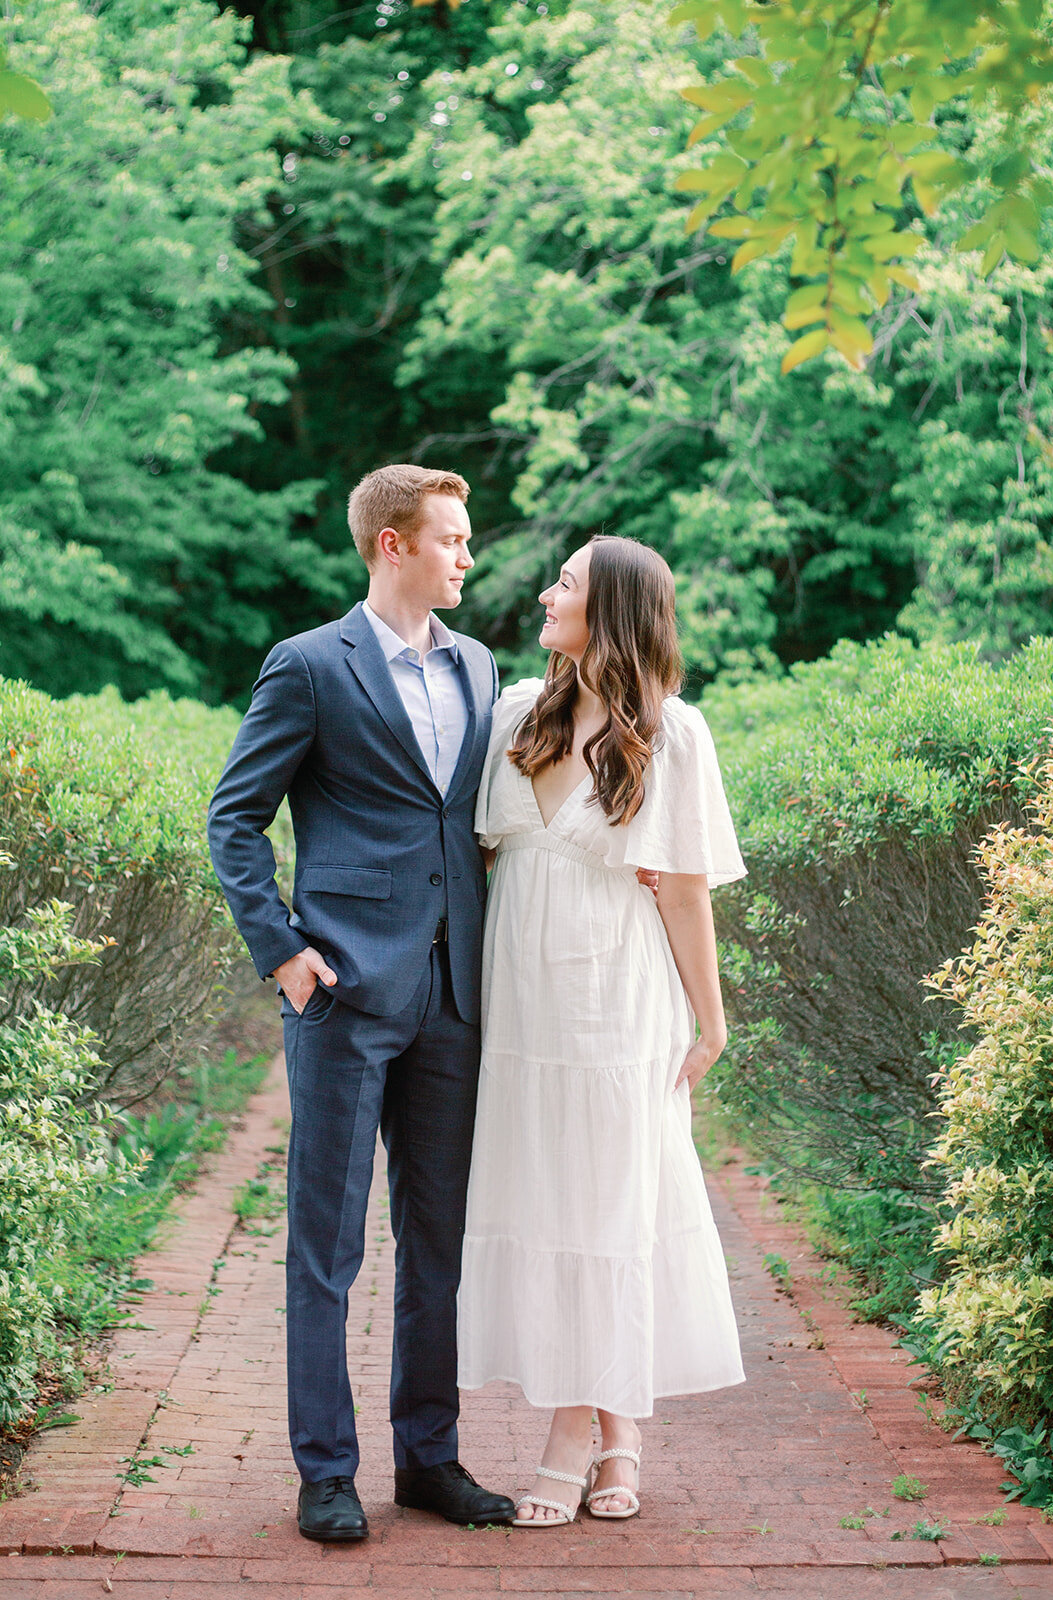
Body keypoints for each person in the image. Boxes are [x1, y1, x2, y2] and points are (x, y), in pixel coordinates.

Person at [207, 464, 515, 1543]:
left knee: (437, 1244)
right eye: (452, 539)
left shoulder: (480, 665)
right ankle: (325, 1471)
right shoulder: (306, 666)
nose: (467, 556)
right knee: (325, 1245)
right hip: (340, 993)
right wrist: (282, 953)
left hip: (451, 996)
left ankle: (428, 1459)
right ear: (393, 544)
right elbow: (233, 819)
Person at [457, 534, 747, 1527]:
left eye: (566, 583)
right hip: (520, 1007)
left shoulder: (674, 736)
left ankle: (573, 1437)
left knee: (606, 1207)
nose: (544, 592)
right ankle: (620, 1431)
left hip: (614, 1004)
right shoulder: (510, 716)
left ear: (613, 610)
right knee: (555, 1207)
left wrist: (709, 1020)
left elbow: (683, 891)